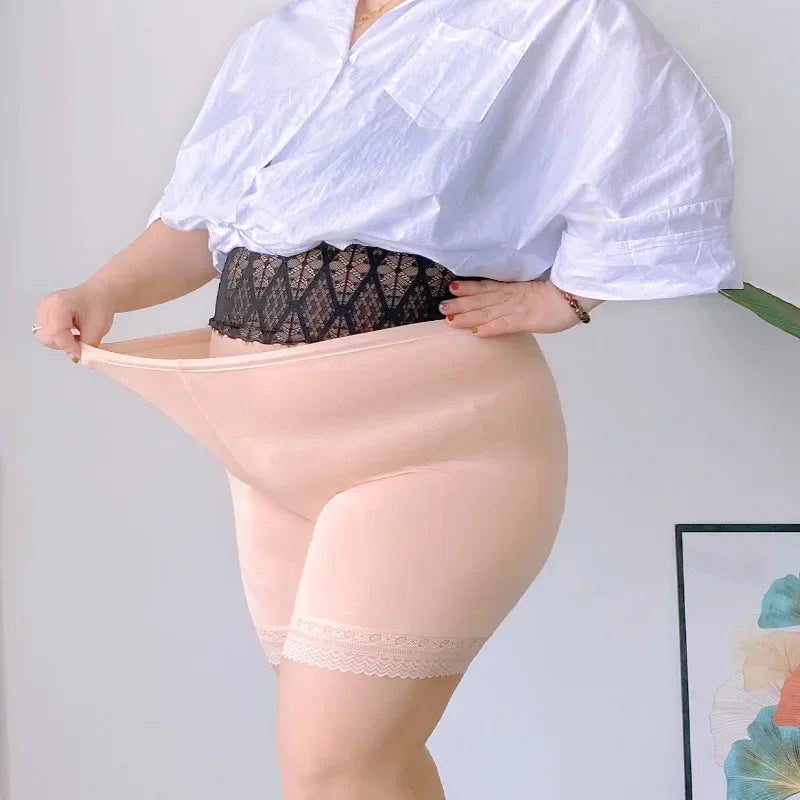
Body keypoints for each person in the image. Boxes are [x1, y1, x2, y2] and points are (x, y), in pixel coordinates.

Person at [32, 0, 742, 797]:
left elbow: (667, 144)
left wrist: (570, 295)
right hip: (265, 468)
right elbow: (202, 222)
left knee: (331, 766)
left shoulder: (553, 16)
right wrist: (103, 290)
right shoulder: (280, 38)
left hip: (435, 449)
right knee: (376, 760)